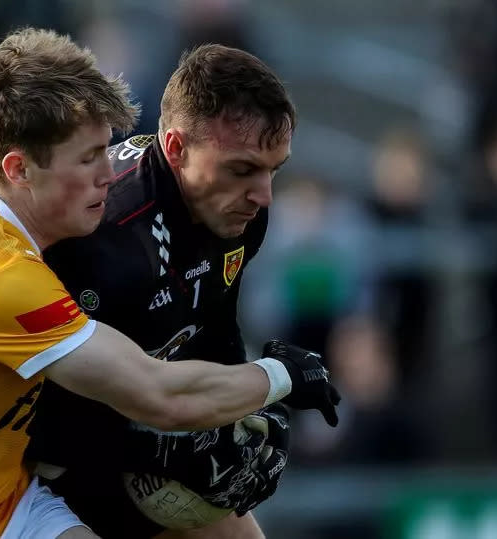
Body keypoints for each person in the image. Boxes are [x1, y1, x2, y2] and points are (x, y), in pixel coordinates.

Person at [0, 28, 340, 539]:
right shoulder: (0, 279)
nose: (108, 174)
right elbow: (156, 394)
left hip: (1, 502)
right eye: (89, 158)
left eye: (107, 150)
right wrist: (281, 375)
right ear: (19, 170)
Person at [25, 44, 339, 539]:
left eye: (273, 170)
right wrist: (158, 448)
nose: (263, 195)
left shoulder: (239, 211)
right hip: (29, 473)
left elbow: (210, 329)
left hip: (132, 435)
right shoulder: (101, 235)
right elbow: (40, 410)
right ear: (176, 148)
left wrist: (248, 411)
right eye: (242, 169)